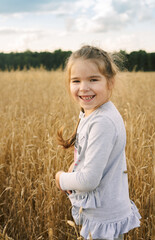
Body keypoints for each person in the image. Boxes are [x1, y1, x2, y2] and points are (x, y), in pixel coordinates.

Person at [55, 45, 141, 240]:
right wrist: (74, 169)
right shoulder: (95, 112)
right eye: (76, 80)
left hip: (103, 216)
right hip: (104, 208)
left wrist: (61, 178)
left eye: (93, 79)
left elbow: (89, 180)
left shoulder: (102, 121)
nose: (84, 87)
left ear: (110, 82)